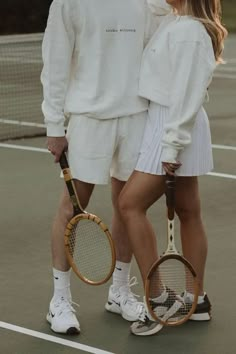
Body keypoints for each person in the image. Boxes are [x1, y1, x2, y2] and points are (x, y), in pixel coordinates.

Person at [41, 0, 171, 334]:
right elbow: (54, 62)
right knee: (71, 207)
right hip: (88, 119)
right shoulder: (67, 3)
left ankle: (120, 292)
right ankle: (59, 302)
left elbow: (160, 44)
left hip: (136, 116)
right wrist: (54, 125)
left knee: (128, 207)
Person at [118, 0, 228, 336]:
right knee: (188, 210)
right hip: (171, 125)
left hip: (173, 126)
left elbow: (187, 94)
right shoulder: (174, 20)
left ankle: (160, 300)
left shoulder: (189, 33)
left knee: (129, 204)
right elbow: (151, 6)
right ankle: (197, 300)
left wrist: (172, 145)